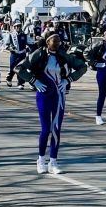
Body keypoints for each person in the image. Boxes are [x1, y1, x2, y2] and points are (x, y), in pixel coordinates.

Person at [17, 32, 87, 175]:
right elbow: (19, 68)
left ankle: (53, 161)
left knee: (56, 129)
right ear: (47, 42)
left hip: (59, 96)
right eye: (54, 41)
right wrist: (33, 81)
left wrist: (68, 80)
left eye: (59, 41)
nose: (57, 43)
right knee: (45, 129)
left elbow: (82, 67)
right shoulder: (39, 54)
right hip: (43, 94)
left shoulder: (63, 55)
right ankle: (41, 160)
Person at [4, 20, 30, 88]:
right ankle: (9, 79)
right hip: (14, 54)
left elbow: (31, 43)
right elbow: (5, 45)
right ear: (14, 27)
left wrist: (28, 48)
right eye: (16, 26)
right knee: (13, 68)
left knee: (21, 68)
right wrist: (10, 48)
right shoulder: (11, 35)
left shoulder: (24, 35)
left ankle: (20, 83)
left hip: (22, 54)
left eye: (19, 26)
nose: (18, 27)